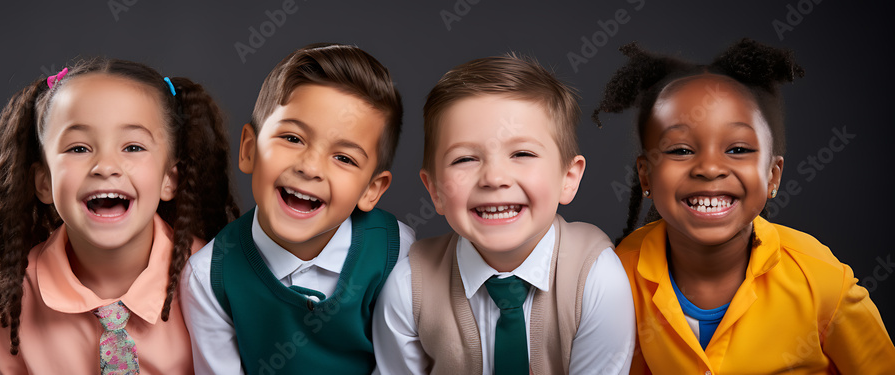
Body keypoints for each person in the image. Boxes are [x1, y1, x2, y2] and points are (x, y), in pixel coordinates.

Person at [593, 38, 895, 374]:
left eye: (737, 149)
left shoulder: (820, 279)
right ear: (645, 176)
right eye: (680, 150)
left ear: (772, 176)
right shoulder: (618, 278)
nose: (709, 168)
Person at [0, 58, 240, 374]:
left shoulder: (217, 279)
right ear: (44, 182)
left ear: (170, 179)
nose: (106, 166)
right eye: (79, 148)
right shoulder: (9, 294)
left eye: (133, 147)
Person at [373, 54, 635, 375]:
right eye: (465, 159)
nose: (494, 178)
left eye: (522, 153)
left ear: (568, 179)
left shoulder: (596, 277)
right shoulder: (408, 286)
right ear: (435, 192)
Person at [180, 43, 415, 375]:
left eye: (344, 158)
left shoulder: (397, 252)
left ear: (370, 190)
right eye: (292, 138)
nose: (310, 167)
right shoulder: (209, 276)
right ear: (249, 150)